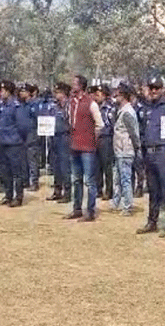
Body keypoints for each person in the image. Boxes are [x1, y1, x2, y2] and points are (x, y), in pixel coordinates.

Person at [136, 77, 165, 237]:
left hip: (164, 152)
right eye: (151, 88)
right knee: (153, 189)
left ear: (163, 89)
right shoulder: (146, 108)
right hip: (149, 152)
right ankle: (152, 221)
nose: (154, 91)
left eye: (157, 88)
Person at [65, 75, 103, 222]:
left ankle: (90, 211)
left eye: (74, 83)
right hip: (74, 145)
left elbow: (99, 124)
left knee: (89, 181)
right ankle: (77, 209)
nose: (72, 85)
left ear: (81, 86)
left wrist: (92, 139)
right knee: (76, 179)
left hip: (87, 147)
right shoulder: (72, 103)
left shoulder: (91, 103)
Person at [0, 81, 26, 207]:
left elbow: (22, 126)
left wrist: (18, 139)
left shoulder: (16, 105)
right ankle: (8, 195)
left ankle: (18, 197)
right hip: (2, 141)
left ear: (8, 91)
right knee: (4, 171)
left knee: (16, 172)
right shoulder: (1, 105)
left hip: (14, 143)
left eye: (2, 91)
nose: (0, 93)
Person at [111, 84, 140, 216]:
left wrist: (136, 148)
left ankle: (128, 206)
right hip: (118, 150)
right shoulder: (120, 110)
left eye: (117, 95)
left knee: (126, 180)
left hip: (125, 150)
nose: (115, 97)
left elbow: (134, 133)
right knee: (117, 179)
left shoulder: (128, 112)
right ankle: (116, 203)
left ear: (123, 96)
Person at [43, 83, 72, 203]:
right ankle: (57, 190)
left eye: (58, 92)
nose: (56, 94)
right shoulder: (52, 106)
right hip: (53, 137)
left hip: (65, 137)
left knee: (65, 166)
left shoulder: (70, 105)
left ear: (64, 93)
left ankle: (67, 193)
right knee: (55, 165)